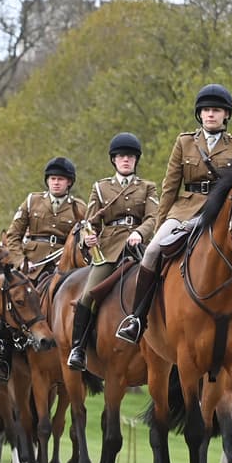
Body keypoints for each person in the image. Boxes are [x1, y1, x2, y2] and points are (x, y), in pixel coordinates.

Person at [116, 84, 232, 344]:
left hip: (221, 211)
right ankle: (137, 318)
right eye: (207, 110)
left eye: (217, 110)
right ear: (199, 114)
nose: (211, 115)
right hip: (185, 209)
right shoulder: (184, 142)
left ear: (226, 115)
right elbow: (170, 185)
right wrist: (162, 221)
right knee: (153, 251)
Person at [68, 132, 157, 371]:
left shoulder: (148, 187)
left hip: (138, 246)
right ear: (114, 160)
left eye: (129, 156)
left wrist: (140, 233)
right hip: (108, 249)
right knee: (88, 295)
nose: (125, 160)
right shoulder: (100, 188)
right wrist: (88, 240)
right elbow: (90, 223)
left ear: (136, 160)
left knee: (161, 285)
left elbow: (152, 217)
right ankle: (78, 347)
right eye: (121, 157)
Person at [4, 157, 87, 280]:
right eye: (52, 179)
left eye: (60, 179)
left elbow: (84, 241)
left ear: (69, 182)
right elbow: (13, 236)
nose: (56, 183)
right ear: (47, 181)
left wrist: (70, 259)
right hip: (32, 264)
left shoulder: (80, 207)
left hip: (63, 266)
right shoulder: (32, 201)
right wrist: (21, 261)